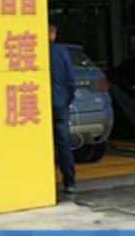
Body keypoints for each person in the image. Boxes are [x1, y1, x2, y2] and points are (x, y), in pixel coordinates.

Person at [48, 22, 76, 196]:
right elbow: (71, 80)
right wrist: (68, 100)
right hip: (60, 104)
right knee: (63, 144)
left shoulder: (33, 51)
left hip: (38, 105)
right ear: (53, 34)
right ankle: (69, 182)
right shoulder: (62, 52)